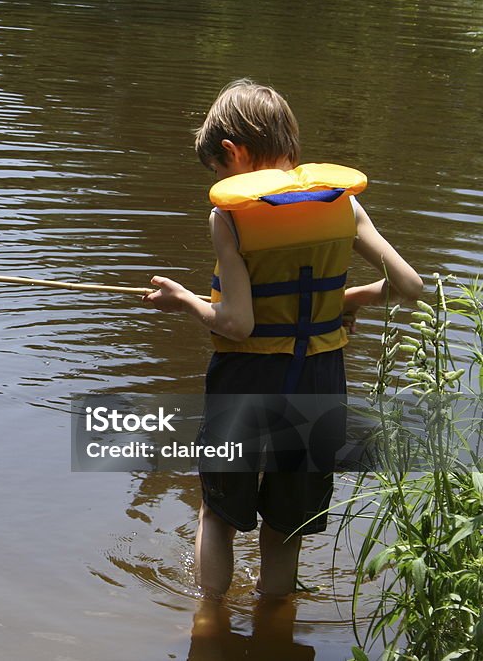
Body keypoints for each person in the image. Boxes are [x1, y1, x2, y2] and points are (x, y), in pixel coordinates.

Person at [143, 79, 422, 597]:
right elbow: (409, 286)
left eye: (218, 170)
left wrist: (183, 300)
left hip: (247, 382)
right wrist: (349, 299)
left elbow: (238, 325)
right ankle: (274, 625)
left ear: (233, 152)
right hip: (319, 382)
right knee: (285, 529)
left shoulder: (229, 217)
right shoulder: (343, 206)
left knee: (218, 513)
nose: (220, 180)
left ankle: (210, 625)